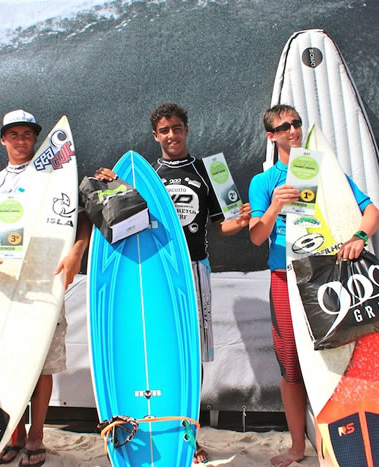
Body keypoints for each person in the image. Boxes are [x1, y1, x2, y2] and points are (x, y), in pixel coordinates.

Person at [95, 102, 251, 463]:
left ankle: (188, 434)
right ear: (155, 136)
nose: (171, 135)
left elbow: (221, 225)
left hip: (193, 269)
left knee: (190, 351)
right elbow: (129, 220)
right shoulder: (148, 174)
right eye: (164, 130)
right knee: (162, 343)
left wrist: (239, 222)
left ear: (186, 130)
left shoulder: (205, 170)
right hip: (157, 274)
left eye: (176, 128)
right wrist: (115, 186)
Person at [247, 104, 379, 467]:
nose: (293, 130)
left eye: (296, 124)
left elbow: (372, 213)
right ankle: (297, 447)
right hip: (284, 279)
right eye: (284, 126)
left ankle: (335, 444)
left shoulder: (324, 169)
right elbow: (257, 237)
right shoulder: (264, 182)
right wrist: (275, 205)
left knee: (332, 359)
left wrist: (358, 236)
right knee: (290, 366)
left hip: (326, 277)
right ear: (270, 135)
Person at [0, 109, 90, 467]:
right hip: (5, 283)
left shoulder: (56, 178)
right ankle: (14, 433)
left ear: (35, 139)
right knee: (9, 362)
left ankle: (37, 436)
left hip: (44, 280)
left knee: (43, 364)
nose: (21, 141)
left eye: (27, 134)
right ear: (3, 139)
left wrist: (76, 254)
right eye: (14, 135)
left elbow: (81, 219)